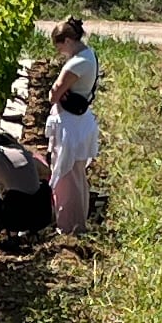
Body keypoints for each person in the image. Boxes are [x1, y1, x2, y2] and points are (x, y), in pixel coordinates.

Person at [44, 16, 104, 234]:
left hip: (71, 126)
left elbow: (54, 93)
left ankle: (71, 226)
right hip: (79, 123)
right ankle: (76, 223)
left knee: (67, 175)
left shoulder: (77, 63)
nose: (61, 53)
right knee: (76, 174)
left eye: (60, 47)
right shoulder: (88, 56)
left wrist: (54, 91)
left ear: (68, 41)